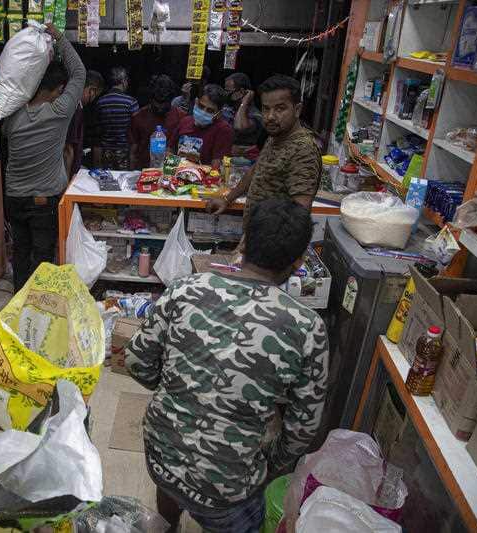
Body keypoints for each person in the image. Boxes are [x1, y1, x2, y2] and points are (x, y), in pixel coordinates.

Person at [125, 198, 329, 533]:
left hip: (161, 453)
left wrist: (176, 388)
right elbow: (303, 427)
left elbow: (135, 360)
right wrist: (270, 463)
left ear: (243, 243)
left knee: (171, 482)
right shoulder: (307, 327)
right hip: (230, 485)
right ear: (298, 262)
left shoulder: (186, 289)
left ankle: (168, 525)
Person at [2, 24, 86, 291]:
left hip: (14, 197)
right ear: (59, 89)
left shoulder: (12, 115)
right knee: (41, 258)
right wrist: (59, 37)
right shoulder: (59, 112)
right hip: (43, 200)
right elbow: (80, 72)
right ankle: (36, 312)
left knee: (21, 254)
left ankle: (18, 306)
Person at [209, 74, 321, 220]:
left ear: (297, 109)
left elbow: (299, 216)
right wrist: (227, 199)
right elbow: (256, 170)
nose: (270, 116)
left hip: (271, 240)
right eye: (266, 109)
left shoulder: (303, 150)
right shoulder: (276, 137)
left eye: (280, 109)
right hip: (254, 233)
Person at [167, 84, 233, 169]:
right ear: (196, 101)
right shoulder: (185, 121)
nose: (203, 112)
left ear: (218, 114)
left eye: (210, 110)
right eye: (201, 106)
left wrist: (189, 167)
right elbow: (170, 149)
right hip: (176, 175)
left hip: (205, 180)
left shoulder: (224, 130)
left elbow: (216, 168)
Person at [128, 74, 184, 169]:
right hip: (143, 170)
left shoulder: (181, 117)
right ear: (151, 99)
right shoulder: (138, 117)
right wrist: (132, 171)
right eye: (157, 102)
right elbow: (133, 150)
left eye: (164, 103)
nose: (160, 107)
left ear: (171, 100)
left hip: (171, 171)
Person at [94, 67, 139, 170]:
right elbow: (136, 131)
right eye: (127, 80)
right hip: (125, 152)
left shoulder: (100, 102)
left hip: (106, 152)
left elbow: (97, 131)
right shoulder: (131, 102)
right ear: (123, 81)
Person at [64, 70, 105, 179]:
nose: (93, 99)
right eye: (96, 95)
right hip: (68, 176)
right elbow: (68, 149)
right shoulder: (75, 109)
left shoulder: (77, 107)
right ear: (92, 90)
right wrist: (66, 184)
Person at [222, 73, 264, 153]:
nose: (226, 94)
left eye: (228, 91)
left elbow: (239, 126)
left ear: (241, 92)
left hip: (241, 160)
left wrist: (244, 102)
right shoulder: (227, 107)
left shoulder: (255, 114)